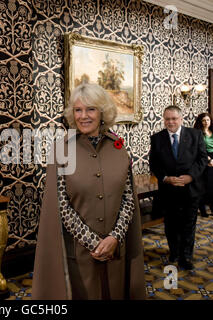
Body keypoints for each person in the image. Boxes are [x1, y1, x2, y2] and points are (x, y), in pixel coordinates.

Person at [32, 81, 145, 300]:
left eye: (90, 109)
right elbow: (61, 205)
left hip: (116, 250)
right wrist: (94, 242)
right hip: (80, 254)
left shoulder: (119, 148)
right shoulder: (61, 149)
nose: (83, 116)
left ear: (102, 112)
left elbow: (128, 199)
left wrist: (114, 237)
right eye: (78, 110)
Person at [149, 106, 208, 270]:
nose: (170, 122)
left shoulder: (195, 135)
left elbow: (202, 159)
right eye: (167, 119)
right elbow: (154, 163)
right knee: (171, 224)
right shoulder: (157, 138)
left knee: (188, 224)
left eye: (174, 118)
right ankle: (174, 252)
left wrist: (190, 177)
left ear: (181, 119)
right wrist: (166, 178)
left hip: (191, 189)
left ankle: (186, 257)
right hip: (168, 190)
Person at [194, 112, 213, 216]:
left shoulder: (212, 131)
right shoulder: (198, 133)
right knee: (204, 186)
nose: (206, 122)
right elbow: (199, 149)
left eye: (208, 120)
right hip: (204, 158)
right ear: (200, 122)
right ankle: (202, 209)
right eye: (204, 120)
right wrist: (208, 160)